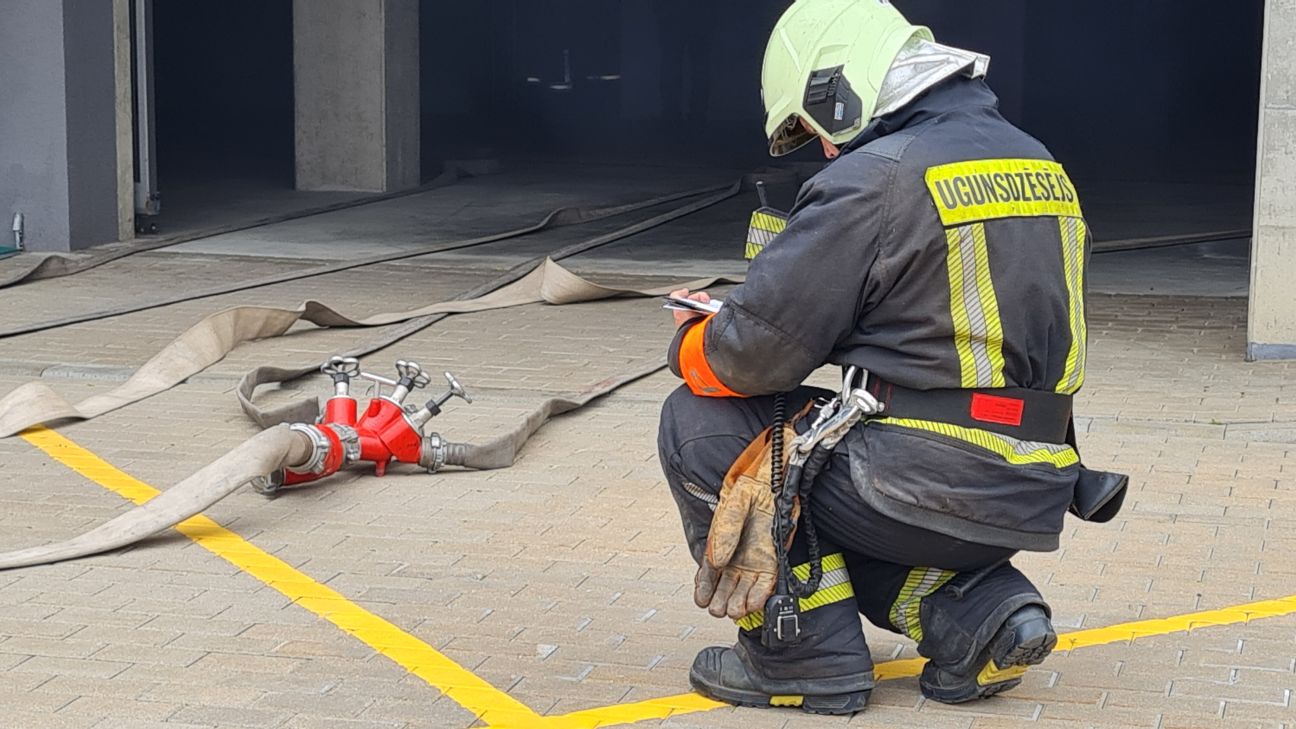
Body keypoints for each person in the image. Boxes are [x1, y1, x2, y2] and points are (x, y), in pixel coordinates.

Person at [657, 0, 1099, 716]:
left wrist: (690, 339)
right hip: (1034, 481)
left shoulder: (879, 175)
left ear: (844, 85)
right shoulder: (1035, 159)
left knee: (702, 423)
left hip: (925, 478)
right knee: (823, 482)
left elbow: (751, 357)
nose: (825, 148)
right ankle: (985, 613)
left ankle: (800, 653)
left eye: (817, 125)